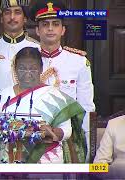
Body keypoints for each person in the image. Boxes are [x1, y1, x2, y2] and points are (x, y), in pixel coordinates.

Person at [0, 47, 87, 164]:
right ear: (15, 69)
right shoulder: (4, 94)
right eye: (22, 69)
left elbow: (67, 130)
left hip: (45, 158)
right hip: (10, 158)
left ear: (41, 68)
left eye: (33, 69)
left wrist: (50, 132)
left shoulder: (54, 94)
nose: (27, 73)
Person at [30, 0, 95, 162]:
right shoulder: (27, 61)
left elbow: (86, 105)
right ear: (37, 30)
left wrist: (86, 140)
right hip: (34, 137)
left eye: (55, 24)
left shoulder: (78, 62)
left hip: (69, 138)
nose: (50, 28)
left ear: (63, 30)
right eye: (45, 24)